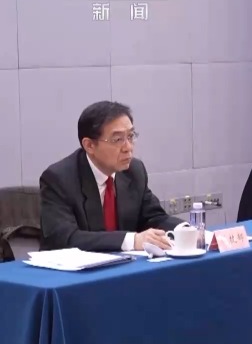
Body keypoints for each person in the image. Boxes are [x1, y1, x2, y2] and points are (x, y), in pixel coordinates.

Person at [39, 101, 182, 252]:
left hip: (125, 264)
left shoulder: (134, 171)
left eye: (130, 136)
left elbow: (154, 218)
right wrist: (132, 241)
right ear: (89, 145)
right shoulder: (59, 179)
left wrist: (185, 230)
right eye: (118, 139)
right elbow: (64, 238)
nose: (128, 147)